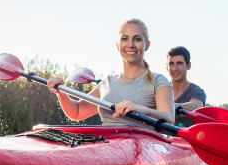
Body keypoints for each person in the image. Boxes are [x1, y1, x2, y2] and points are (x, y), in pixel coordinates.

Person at [47, 19, 175, 127]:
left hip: (142, 149)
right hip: (108, 147)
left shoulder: (158, 81)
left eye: (137, 39)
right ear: (117, 45)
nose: (130, 45)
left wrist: (141, 109)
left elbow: (169, 118)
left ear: (147, 45)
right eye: (124, 39)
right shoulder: (107, 83)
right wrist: (60, 92)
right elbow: (77, 112)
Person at [166, 46, 206, 127]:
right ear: (166, 66)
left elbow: (196, 106)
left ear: (188, 66)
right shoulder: (160, 90)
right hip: (161, 138)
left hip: (184, 138)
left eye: (179, 63)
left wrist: (164, 106)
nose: (175, 68)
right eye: (171, 63)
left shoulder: (196, 91)